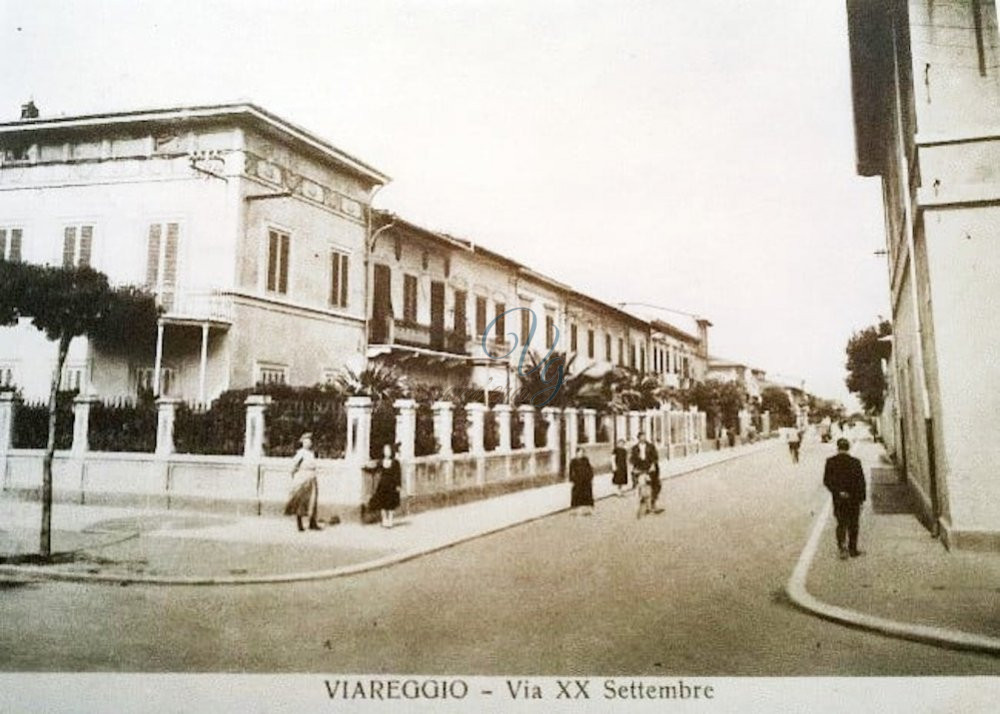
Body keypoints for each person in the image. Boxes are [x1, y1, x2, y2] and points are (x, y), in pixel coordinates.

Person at [823, 437, 867, 559]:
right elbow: (861, 482)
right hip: (853, 499)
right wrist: (862, 499)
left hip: (839, 499)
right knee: (853, 524)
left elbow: (827, 481)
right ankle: (853, 550)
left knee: (841, 523)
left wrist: (838, 492)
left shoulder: (830, 461)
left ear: (838, 447)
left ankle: (842, 548)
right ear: (848, 448)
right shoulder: (855, 462)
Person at [284, 432, 320, 532]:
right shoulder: (301, 453)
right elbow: (294, 466)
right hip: (302, 478)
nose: (309, 443)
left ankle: (312, 522)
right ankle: (299, 524)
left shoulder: (312, 453)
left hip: (311, 478)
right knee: (301, 501)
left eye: (310, 441)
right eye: (306, 441)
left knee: (312, 500)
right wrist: (295, 477)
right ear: (303, 443)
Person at [369, 443, 402, 528]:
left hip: (391, 484)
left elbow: (398, 474)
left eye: (388, 450)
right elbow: (375, 470)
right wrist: (366, 468)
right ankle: (384, 519)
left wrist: (398, 485)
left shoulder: (395, 462)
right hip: (383, 484)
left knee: (390, 503)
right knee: (382, 503)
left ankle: (390, 520)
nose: (387, 452)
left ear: (391, 452)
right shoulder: (381, 462)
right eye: (385, 450)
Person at [630, 432, 661, 512]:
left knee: (654, 486)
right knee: (643, 487)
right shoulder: (634, 448)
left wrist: (653, 465)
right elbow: (632, 459)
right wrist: (634, 467)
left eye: (644, 437)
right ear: (638, 438)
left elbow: (655, 457)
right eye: (641, 437)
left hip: (650, 468)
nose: (643, 438)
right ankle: (647, 506)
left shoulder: (651, 446)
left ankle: (653, 503)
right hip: (640, 469)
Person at [568, 447, 595, 515]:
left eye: (582, 452)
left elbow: (590, 468)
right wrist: (571, 480)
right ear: (577, 453)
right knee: (578, 494)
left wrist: (591, 477)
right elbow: (571, 471)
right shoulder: (573, 461)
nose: (581, 454)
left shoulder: (585, 460)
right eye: (580, 452)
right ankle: (578, 510)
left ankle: (588, 510)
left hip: (586, 480)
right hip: (578, 480)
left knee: (587, 494)